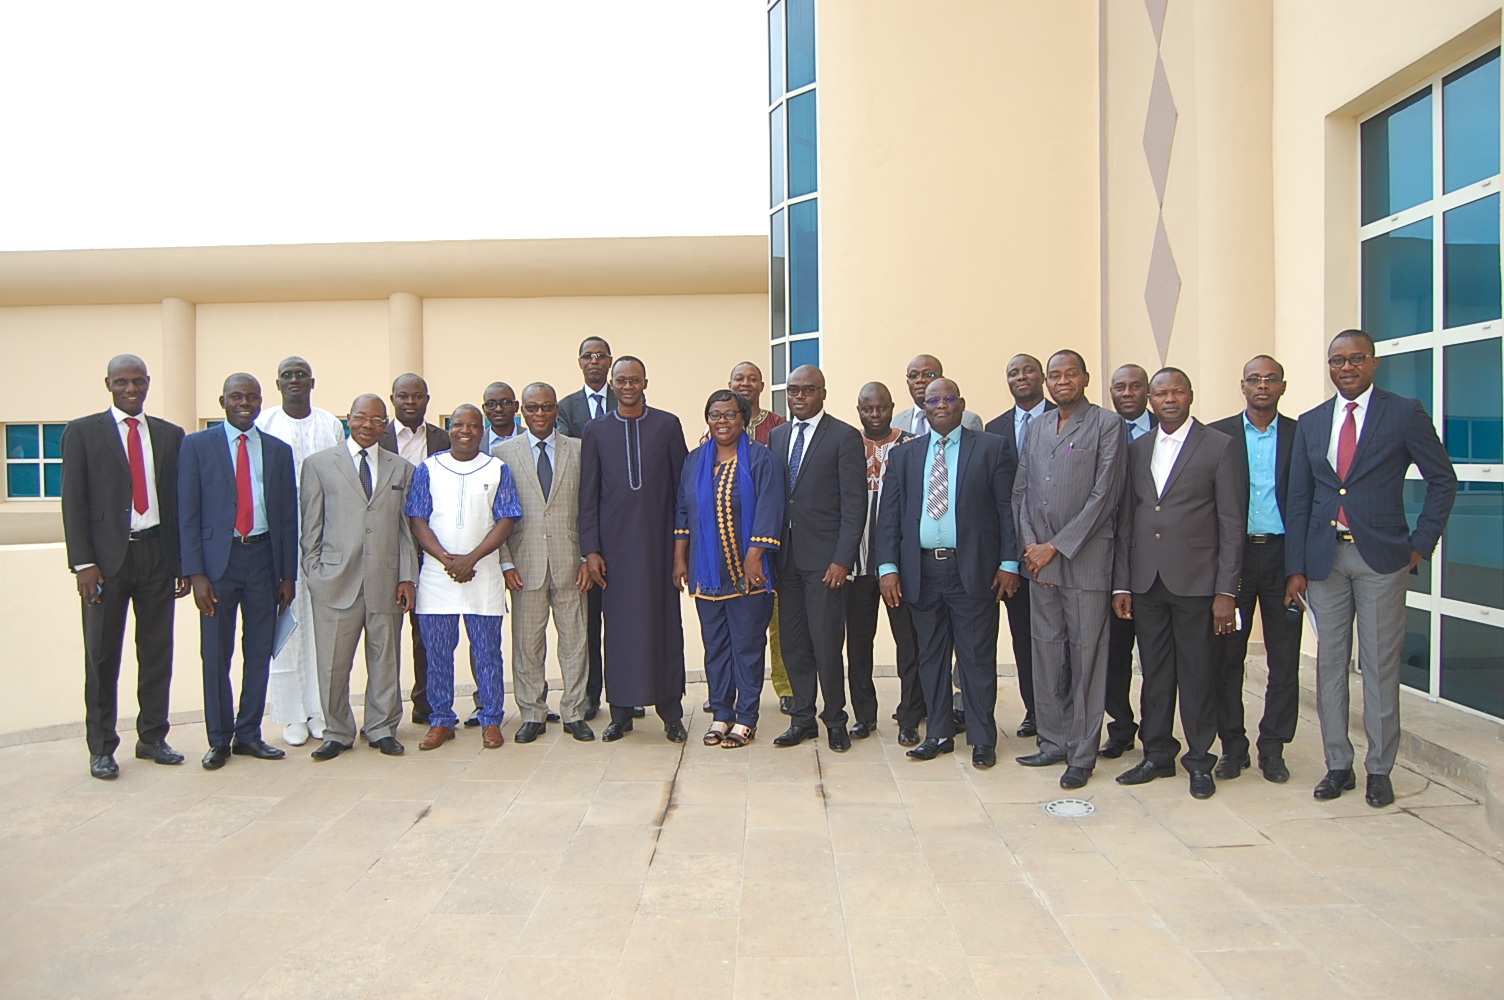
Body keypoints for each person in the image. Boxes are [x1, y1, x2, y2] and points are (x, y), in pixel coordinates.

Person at [1285, 330, 1456, 808]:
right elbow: (1299, 498)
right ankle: (1337, 764)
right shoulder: (1312, 421)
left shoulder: (1403, 413)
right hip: (1324, 560)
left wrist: (1420, 545)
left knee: (1380, 665)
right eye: (1337, 360)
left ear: (1374, 363)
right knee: (1329, 666)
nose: (1346, 368)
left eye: (1356, 359)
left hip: (1381, 558)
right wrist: (1295, 565)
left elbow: (1442, 480)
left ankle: (1380, 769)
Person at [1112, 368, 1245, 799]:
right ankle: (1157, 754)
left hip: (1197, 581)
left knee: (1197, 674)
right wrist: (1122, 585)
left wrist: (1226, 591)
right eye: (1161, 393)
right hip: (1147, 581)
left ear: (1190, 395)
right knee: (1154, 673)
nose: (1169, 399)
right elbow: (1128, 519)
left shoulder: (1219, 446)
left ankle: (1200, 760)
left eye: (1177, 392)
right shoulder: (1137, 448)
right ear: (1150, 400)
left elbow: (1231, 523)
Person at [877, 378, 1019, 769]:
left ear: (961, 404)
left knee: (976, 658)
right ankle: (938, 733)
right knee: (930, 657)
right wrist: (887, 567)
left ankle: (982, 738)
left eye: (948, 398)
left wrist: (1009, 563)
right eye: (933, 400)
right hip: (920, 571)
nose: (940, 405)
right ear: (923, 408)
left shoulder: (990, 448)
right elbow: (889, 516)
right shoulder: (905, 455)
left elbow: (1007, 510)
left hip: (973, 569)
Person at [61, 354, 189, 780]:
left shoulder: (170, 435)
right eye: (122, 382)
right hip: (105, 564)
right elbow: (73, 501)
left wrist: (180, 562)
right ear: (109, 385)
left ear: (148, 383)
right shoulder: (82, 432)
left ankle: (152, 737)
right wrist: (84, 563)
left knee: (156, 653)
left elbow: (176, 503)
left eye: (137, 381)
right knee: (101, 656)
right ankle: (101, 747)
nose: (131, 389)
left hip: (157, 556)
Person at [1011, 351, 1126, 789]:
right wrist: (1031, 546)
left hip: (1085, 561)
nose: (1062, 382)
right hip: (1039, 564)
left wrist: (1055, 547)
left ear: (1085, 378)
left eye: (1070, 374)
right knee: (1046, 653)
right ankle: (1053, 741)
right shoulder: (1038, 426)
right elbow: (1021, 491)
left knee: (1086, 657)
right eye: (1055, 375)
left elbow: (1104, 496)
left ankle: (1082, 753)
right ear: (1047, 382)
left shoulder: (1107, 425)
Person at [178, 373, 299, 770]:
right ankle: (218, 739)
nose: (244, 403)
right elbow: (187, 513)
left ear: (261, 401)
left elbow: (287, 518)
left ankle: (248, 734)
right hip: (218, 566)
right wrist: (195, 574)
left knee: (259, 651)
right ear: (223, 402)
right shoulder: (197, 446)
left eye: (252, 397)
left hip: (263, 561)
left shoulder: (278, 451)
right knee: (216, 654)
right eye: (236, 396)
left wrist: (288, 575)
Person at [298, 394, 417, 760]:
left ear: (385, 424)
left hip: (386, 580)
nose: (369, 425)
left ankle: (381, 728)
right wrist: (315, 574)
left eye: (377, 420)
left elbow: (406, 530)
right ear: (348, 418)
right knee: (333, 665)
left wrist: (407, 577)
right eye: (362, 418)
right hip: (335, 582)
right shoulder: (319, 465)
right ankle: (337, 731)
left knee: (386, 661)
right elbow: (310, 528)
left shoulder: (401, 468)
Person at [580, 357, 690, 742]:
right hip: (615, 552)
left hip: (659, 548)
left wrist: (681, 550)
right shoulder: (595, 430)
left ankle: (671, 714)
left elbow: (682, 491)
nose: (628, 386)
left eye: (635, 380)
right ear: (612, 384)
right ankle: (621, 713)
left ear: (646, 383)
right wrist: (591, 549)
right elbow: (588, 495)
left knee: (664, 629)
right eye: (621, 380)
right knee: (619, 632)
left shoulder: (667, 425)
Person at [405, 404, 521, 751]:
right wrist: (446, 559)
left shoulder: (497, 468)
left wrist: (471, 558)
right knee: (438, 654)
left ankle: (491, 719)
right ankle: (441, 720)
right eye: (458, 425)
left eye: (472, 426)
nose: (465, 431)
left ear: (481, 430)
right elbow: (417, 519)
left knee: (487, 654)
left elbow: (506, 519)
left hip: (482, 575)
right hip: (437, 576)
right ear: (449, 429)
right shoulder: (429, 468)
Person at [674, 390, 786, 748]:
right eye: (715, 415)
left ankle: (747, 718)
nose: (722, 422)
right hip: (706, 572)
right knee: (716, 647)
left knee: (747, 647)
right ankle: (721, 714)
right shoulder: (695, 461)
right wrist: (680, 558)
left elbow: (770, 508)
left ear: (744, 418)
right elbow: (683, 511)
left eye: (730, 414)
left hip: (749, 574)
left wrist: (754, 557)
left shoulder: (761, 459)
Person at [1208, 356, 1301, 783]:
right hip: (1235, 559)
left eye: (1270, 379)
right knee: (1227, 657)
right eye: (1254, 379)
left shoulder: (1300, 435)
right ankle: (1233, 746)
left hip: (1283, 559)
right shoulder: (1218, 435)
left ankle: (1273, 747)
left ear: (1282, 386)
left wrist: (1300, 567)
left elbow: (1307, 502)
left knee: (1284, 659)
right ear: (1242, 386)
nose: (1262, 385)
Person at [768, 364, 866, 752]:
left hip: (826, 563)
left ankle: (836, 719)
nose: (799, 396)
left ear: (823, 393)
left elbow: (854, 505)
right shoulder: (777, 436)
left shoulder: (843, 436)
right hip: (786, 560)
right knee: (793, 644)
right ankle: (802, 719)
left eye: (808, 390)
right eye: (793, 390)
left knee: (826, 643)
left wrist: (843, 559)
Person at [497, 383, 596, 743]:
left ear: (557, 410)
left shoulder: (579, 450)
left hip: (571, 562)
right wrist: (505, 563)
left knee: (575, 642)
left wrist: (587, 556)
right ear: (521, 411)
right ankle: (532, 713)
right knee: (527, 645)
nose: (540, 414)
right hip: (525, 565)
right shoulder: (502, 453)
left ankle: (574, 712)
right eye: (532, 407)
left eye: (547, 407)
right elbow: (497, 514)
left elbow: (590, 508)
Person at [256, 356, 347, 747]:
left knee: (323, 627)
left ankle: (320, 711)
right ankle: (292, 715)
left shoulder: (329, 424)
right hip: (279, 540)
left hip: (324, 537)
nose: (294, 380)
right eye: (287, 375)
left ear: (313, 382)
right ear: (277, 384)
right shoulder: (265, 423)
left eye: (301, 375)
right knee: (287, 625)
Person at [379, 373, 462, 725]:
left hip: (431, 548)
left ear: (427, 399)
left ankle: (426, 705)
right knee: (384, 635)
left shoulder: (443, 439)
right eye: (403, 396)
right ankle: (383, 712)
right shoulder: (377, 437)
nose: (410, 402)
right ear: (393, 399)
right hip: (385, 547)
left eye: (417, 396)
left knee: (428, 634)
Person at [844, 382, 921, 744]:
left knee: (909, 644)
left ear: (892, 408)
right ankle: (864, 716)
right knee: (859, 646)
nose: (875, 415)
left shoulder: (911, 445)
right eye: (867, 409)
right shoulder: (847, 445)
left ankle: (910, 716)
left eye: (882, 408)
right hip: (856, 566)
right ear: (858, 410)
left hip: (899, 567)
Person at [983, 353, 1055, 738]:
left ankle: (1063, 712)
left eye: (1028, 370)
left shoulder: (1065, 418)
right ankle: (1034, 711)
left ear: (1041, 377)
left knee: (1060, 640)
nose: (1021, 377)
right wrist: (1008, 559)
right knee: (1024, 638)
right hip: (1014, 556)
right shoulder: (994, 429)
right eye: (1013, 372)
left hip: (1058, 551)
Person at [725, 360, 792, 713]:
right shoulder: (717, 427)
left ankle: (786, 688)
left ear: (762, 386)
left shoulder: (778, 427)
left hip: (771, 542)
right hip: (728, 541)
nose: (745, 383)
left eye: (752, 378)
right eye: (739, 378)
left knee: (779, 621)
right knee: (733, 624)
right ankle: (729, 690)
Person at [556, 336, 616, 719]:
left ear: (609, 361)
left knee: (623, 618)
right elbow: (570, 454)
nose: (594, 361)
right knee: (589, 621)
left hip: (622, 521)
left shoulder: (626, 397)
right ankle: (592, 694)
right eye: (587, 356)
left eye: (600, 356)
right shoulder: (566, 407)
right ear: (579, 362)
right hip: (585, 520)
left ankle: (626, 690)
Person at [1101, 362, 1158, 758]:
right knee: (1113, 656)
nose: (1127, 394)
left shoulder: (1169, 432)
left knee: (1155, 657)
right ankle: (1120, 727)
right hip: (1107, 562)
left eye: (1135, 386)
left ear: (1147, 391)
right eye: (1119, 387)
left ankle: (1156, 733)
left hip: (1157, 561)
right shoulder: (1102, 430)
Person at [893, 355, 984, 437]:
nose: (920, 380)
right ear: (908, 382)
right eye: (913, 376)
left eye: (928, 374)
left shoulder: (968, 420)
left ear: (941, 379)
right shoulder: (896, 422)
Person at [483, 381, 520, 452]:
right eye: (491, 404)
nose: (499, 409)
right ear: (484, 408)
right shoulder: (475, 443)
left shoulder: (532, 439)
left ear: (516, 406)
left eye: (505, 402)